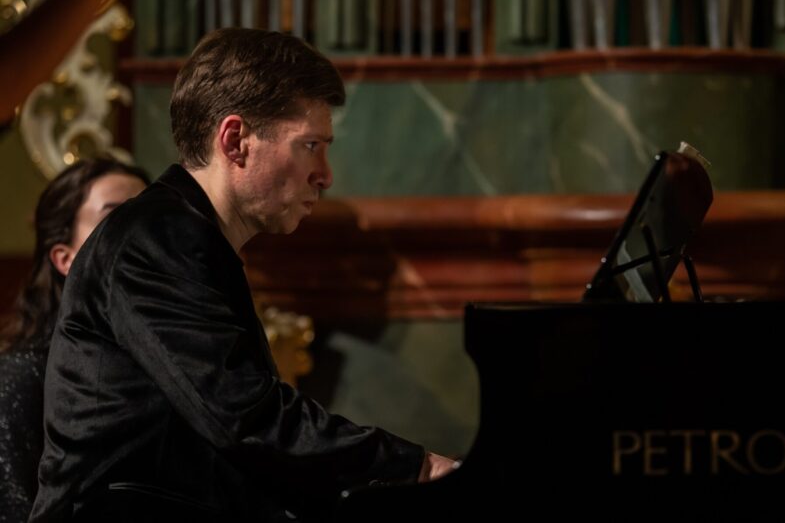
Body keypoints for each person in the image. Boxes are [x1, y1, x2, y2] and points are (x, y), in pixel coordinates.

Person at [30, 28, 456, 523]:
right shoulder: (154, 240)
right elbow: (243, 419)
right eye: (310, 145)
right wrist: (414, 467)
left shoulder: (188, 238)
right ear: (235, 141)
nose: (325, 174)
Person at [0, 158, 148, 523]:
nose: (144, 235)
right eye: (115, 218)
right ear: (64, 258)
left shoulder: (172, 362)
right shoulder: (20, 377)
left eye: (149, 218)